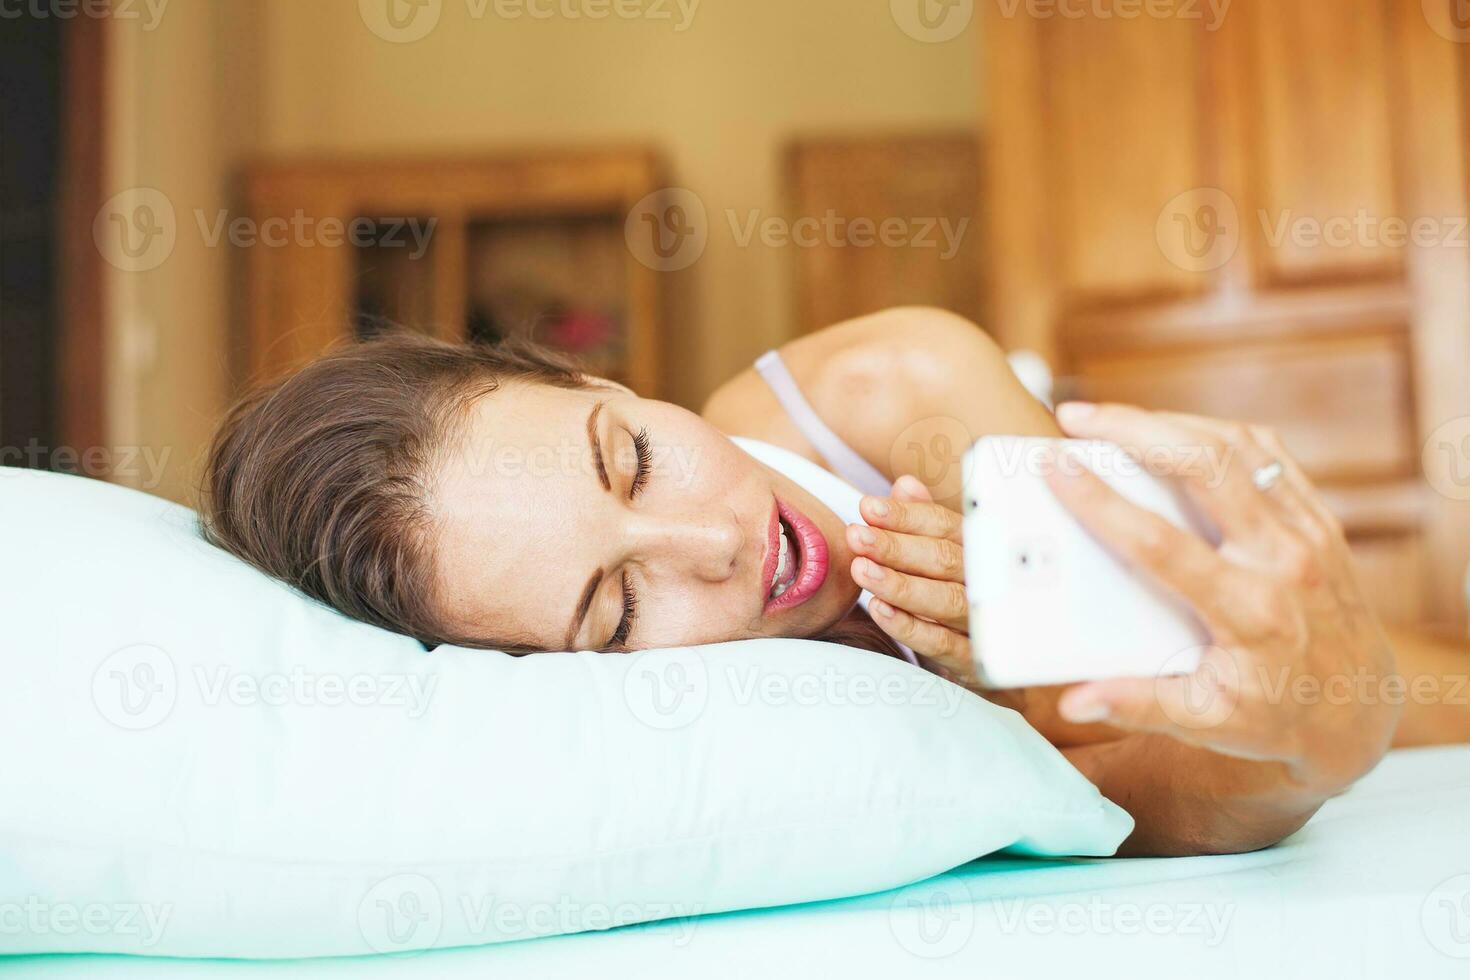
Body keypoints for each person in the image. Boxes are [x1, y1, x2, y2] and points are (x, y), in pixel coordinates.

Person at [203, 307, 1468, 856]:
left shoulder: (887, 391)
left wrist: (1012, 678)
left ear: (600, 385)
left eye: (633, 457)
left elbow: (1134, 752)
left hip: (1225, 614)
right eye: (620, 608)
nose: (716, 548)